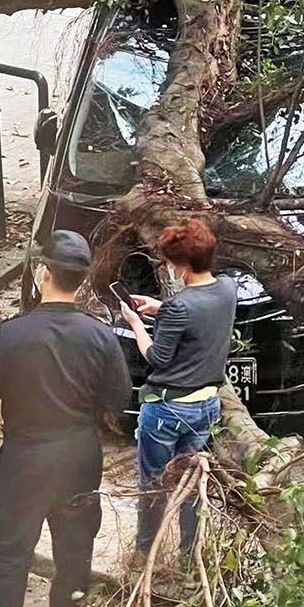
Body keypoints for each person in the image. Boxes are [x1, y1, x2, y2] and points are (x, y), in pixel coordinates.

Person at [0, 230, 131, 607]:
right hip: (78, 456)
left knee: (9, 561)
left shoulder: (12, 334)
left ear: (43, 273)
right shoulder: (100, 336)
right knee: (74, 559)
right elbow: (118, 401)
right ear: (81, 281)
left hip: (23, 459)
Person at [119, 218, 237, 561]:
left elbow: (157, 356)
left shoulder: (180, 306)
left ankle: (144, 554)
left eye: (169, 262)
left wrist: (137, 323)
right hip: (206, 407)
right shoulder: (226, 289)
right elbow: (196, 324)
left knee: (153, 485)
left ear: (180, 265)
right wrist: (159, 310)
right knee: (190, 486)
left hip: (168, 410)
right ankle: (189, 556)